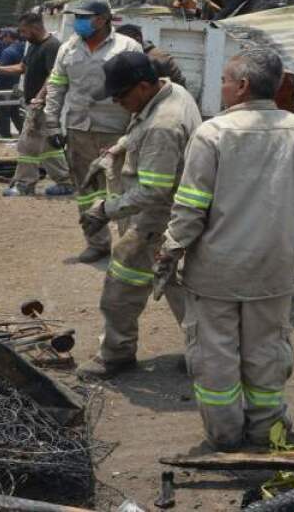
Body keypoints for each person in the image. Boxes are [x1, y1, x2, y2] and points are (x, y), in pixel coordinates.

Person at [160, 49, 294, 451]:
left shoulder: (214, 134)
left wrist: (169, 252)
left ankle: (225, 435)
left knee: (215, 357)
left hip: (217, 273)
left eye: (224, 80)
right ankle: (267, 431)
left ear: (242, 86)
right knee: (267, 353)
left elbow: (190, 209)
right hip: (273, 270)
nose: (222, 87)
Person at [77, 51, 203, 379]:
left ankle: (116, 354)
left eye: (121, 96)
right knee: (180, 288)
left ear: (144, 86)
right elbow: (141, 129)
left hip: (155, 221)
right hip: (178, 218)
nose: (117, 103)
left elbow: (154, 191)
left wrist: (105, 209)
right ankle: (206, 352)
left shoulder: (164, 124)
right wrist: (118, 148)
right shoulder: (171, 91)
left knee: (121, 286)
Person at [41, 0, 143, 260]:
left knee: (122, 189)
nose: (78, 22)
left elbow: (141, 89)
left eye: (84, 18)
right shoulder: (68, 48)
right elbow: (56, 86)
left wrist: (137, 129)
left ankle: (130, 245)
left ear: (102, 19)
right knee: (86, 189)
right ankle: (97, 243)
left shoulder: (127, 46)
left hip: (117, 130)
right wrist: (52, 124)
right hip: (79, 130)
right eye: (77, 17)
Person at [0, 12, 70, 197]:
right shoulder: (33, 46)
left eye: (24, 31)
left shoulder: (52, 46)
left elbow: (53, 75)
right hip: (34, 103)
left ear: (35, 27)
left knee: (27, 144)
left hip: (43, 105)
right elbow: (22, 68)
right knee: (48, 147)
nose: (22, 35)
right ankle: (66, 181)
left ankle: (25, 184)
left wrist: (39, 98)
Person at [115, 24, 187, 88]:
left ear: (137, 40)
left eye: (124, 42)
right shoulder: (124, 57)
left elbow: (179, 85)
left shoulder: (160, 58)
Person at [0, 28, 26, 139]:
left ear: (9, 36)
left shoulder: (8, 52)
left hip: (5, 87)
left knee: (1, 113)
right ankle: (25, 135)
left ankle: (5, 138)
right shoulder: (25, 48)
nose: (3, 40)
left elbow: (2, 71)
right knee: (16, 112)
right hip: (18, 86)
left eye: (4, 37)